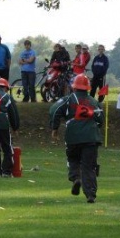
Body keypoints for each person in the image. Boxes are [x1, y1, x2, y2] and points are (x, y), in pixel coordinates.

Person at [50, 74, 103, 203]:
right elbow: (100, 119)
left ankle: (76, 178)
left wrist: (55, 128)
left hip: (73, 137)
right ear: (88, 88)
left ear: (74, 87)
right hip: (91, 138)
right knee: (89, 166)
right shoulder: (93, 102)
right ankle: (90, 194)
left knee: (73, 159)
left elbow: (54, 110)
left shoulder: (68, 99)